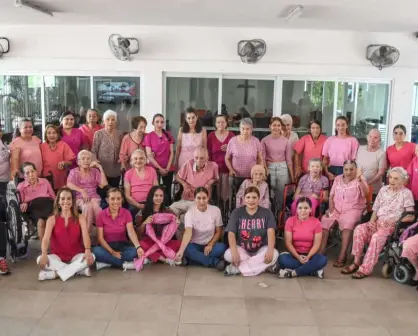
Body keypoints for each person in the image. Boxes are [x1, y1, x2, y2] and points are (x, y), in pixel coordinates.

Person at [342, 167, 415, 279]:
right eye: (390, 177)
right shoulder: (383, 189)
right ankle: (356, 262)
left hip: (392, 227)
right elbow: (375, 209)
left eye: (396, 179)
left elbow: (410, 216)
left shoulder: (406, 193)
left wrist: (395, 221)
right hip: (377, 222)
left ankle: (365, 268)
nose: (392, 180)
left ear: (404, 181)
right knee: (359, 229)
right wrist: (371, 221)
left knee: (376, 237)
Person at [36, 187, 95, 281]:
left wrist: (87, 250)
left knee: (92, 256)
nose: (66, 201)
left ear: (72, 201)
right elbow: (46, 239)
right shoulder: (52, 219)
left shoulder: (80, 218)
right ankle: (78, 270)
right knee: (39, 259)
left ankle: (54, 274)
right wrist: (43, 254)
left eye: (68, 198)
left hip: (76, 255)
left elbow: (85, 236)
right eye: (63, 199)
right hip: (57, 256)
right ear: (58, 202)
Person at [319, 160, 369, 268]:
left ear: (356, 170)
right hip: (336, 209)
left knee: (348, 223)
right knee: (325, 220)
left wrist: (360, 179)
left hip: (353, 209)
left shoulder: (359, 179)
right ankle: (321, 251)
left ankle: (343, 254)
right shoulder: (338, 179)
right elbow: (331, 196)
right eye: (346, 169)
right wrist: (331, 210)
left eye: (351, 169)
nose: (348, 172)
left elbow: (366, 192)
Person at [224, 186, 278, 276]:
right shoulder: (236, 212)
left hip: (261, 249)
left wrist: (270, 250)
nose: (251, 200)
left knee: (274, 254)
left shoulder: (267, 212)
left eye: (254, 197)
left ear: (259, 199)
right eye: (248, 197)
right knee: (228, 254)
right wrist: (234, 251)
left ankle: (238, 269)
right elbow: (231, 233)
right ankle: (262, 266)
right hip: (242, 249)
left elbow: (271, 232)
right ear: (244, 199)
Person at [175, 187, 226, 269]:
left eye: (204, 198)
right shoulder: (190, 213)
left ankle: (192, 260)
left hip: (210, 245)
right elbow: (188, 233)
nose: (202, 201)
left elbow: (218, 232)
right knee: (187, 250)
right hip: (194, 244)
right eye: (198, 198)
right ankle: (215, 262)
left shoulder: (215, 210)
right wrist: (181, 251)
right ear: (194, 199)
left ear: (208, 198)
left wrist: (210, 244)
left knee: (222, 247)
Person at [93, 188, 144, 271]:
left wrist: (138, 247)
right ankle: (123, 264)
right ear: (107, 200)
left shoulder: (126, 213)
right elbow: (100, 238)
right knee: (96, 251)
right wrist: (112, 252)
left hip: (122, 246)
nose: (116, 202)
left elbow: (131, 232)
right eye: (112, 199)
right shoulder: (101, 215)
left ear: (122, 200)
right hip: (107, 247)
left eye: (118, 198)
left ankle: (108, 263)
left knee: (134, 252)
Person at [278, 197, 328, 278]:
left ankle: (293, 273)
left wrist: (308, 257)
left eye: (306, 208)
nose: (303, 210)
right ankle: (312, 271)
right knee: (282, 259)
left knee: (323, 259)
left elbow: (317, 244)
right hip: (294, 255)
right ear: (296, 209)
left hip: (310, 255)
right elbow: (288, 242)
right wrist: (298, 257)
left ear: (310, 209)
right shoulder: (290, 221)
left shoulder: (316, 223)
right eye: (300, 208)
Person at [137, 186, 181, 263]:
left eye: (161, 196)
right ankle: (165, 259)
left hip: (164, 242)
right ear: (151, 196)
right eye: (156, 195)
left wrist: (176, 224)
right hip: (150, 241)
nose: (158, 198)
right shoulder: (143, 211)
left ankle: (152, 256)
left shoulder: (168, 211)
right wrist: (145, 222)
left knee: (178, 244)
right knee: (141, 245)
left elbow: (175, 231)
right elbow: (138, 233)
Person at [67, 150, 108, 232]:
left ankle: (100, 233)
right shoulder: (74, 172)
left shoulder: (95, 171)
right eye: (83, 158)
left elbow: (103, 184)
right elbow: (69, 184)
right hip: (79, 197)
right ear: (78, 162)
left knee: (97, 209)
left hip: (94, 197)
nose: (86, 160)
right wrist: (82, 191)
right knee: (87, 207)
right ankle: (86, 232)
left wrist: (100, 168)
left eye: (88, 158)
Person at [170, 148, 219, 216]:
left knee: (188, 214)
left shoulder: (213, 166)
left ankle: (186, 216)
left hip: (202, 200)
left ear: (207, 158)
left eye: (202, 158)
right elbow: (177, 177)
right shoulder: (188, 164)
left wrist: (210, 182)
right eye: (196, 158)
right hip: (186, 199)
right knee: (172, 208)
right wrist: (184, 184)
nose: (198, 161)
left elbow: (216, 179)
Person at [261, 117, 294, 210]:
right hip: (269, 167)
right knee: (269, 192)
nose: (276, 127)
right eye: (274, 125)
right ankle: (269, 214)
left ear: (281, 127)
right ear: (270, 127)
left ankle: (279, 215)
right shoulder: (264, 140)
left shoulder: (286, 141)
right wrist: (266, 170)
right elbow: (262, 158)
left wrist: (292, 175)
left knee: (281, 193)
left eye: (278, 125)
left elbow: (289, 159)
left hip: (282, 168)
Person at [17, 162, 55, 240]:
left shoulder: (44, 181)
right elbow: (20, 203)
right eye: (27, 173)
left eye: (32, 171)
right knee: (41, 222)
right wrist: (23, 203)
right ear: (23, 175)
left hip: (48, 204)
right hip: (33, 206)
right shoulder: (21, 186)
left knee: (51, 220)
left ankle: (56, 245)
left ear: (36, 171)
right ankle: (44, 249)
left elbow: (53, 196)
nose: (31, 174)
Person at [225, 118, 264, 191]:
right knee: (237, 198)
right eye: (243, 129)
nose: (245, 131)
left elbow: (260, 158)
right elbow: (227, 158)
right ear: (239, 129)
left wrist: (259, 172)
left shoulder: (256, 141)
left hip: (252, 177)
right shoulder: (233, 141)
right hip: (236, 176)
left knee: (250, 198)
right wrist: (231, 169)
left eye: (247, 129)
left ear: (251, 130)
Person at [144, 114, 175, 205]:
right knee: (155, 191)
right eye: (157, 122)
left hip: (168, 168)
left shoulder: (168, 135)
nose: (159, 124)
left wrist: (167, 168)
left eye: (161, 122)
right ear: (153, 123)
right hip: (154, 168)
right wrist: (159, 168)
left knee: (167, 191)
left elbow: (172, 152)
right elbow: (149, 155)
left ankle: (168, 211)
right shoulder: (148, 137)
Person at [91, 109, 123, 188]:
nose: (110, 122)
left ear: (116, 121)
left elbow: (123, 149)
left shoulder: (119, 134)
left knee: (114, 191)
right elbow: (93, 150)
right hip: (102, 169)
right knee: (103, 192)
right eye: (108, 119)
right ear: (103, 121)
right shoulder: (98, 134)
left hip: (116, 169)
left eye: (113, 120)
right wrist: (95, 162)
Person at [124, 149, 158, 221]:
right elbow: (127, 196)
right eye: (135, 158)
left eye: (141, 158)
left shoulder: (152, 170)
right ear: (132, 161)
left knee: (153, 216)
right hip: (134, 202)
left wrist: (150, 202)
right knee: (130, 213)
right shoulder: (128, 173)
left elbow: (156, 190)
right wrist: (138, 205)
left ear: (145, 160)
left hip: (150, 201)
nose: (138, 161)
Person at [207, 115, 235, 202]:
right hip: (215, 170)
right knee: (215, 195)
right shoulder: (211, 136)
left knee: (226, 194)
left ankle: (226, 211)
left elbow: (237, 152)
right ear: (215, 123)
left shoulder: (231, 135)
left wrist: (230, 147)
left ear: (226, 123)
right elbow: (208, 152)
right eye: (218, 122)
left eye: (223, 122)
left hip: (228, 169)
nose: (220, 124)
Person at [40, 124, 75, 190]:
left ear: (58, 134)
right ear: (46, 135)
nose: (51, 135)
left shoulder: (63, 145)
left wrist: (64, 162)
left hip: (61, 178)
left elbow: (70, 162)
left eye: (54, 133)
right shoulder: (42, 146)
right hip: (46, 179)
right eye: (49, 133)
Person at [356, 129, 386, 196]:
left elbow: (381, 173)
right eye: (370, 136)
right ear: (367, 137)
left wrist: (368, 183)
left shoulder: (381, 153)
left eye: (375, 138)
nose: (372, 139)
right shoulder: (360, 149)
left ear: (379, 140)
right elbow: (355, 165)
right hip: (358, 187)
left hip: (373, 189)